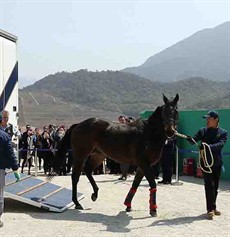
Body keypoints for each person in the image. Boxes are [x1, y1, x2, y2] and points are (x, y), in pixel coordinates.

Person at [186, 110, 228, 219]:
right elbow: (193, 140)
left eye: (209, 119)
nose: (207, 121)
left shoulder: (223, 133)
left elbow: (220, 144)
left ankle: (213, 207)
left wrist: (206, 146)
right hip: (205, 163)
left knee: (215, 186)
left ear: (216, 120)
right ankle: (210, 209)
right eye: (207, 119)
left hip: (217, 162)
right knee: (209, 185)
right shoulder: (202, 131)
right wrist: (189, 139)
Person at [0, 113, 20, 228]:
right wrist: (15, 168)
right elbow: (10, 153)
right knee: (0, 195)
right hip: (0, 169)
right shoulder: (5, 136)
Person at [117, 115, 129, 180]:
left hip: (127, 146)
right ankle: (122, 174)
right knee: (121, 161)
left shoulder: (127, 127)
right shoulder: (118, 127)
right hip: (120, 146)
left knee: (126, 161)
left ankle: (125, 174)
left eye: (122, 120)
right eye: (120, 120)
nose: (121, 121)